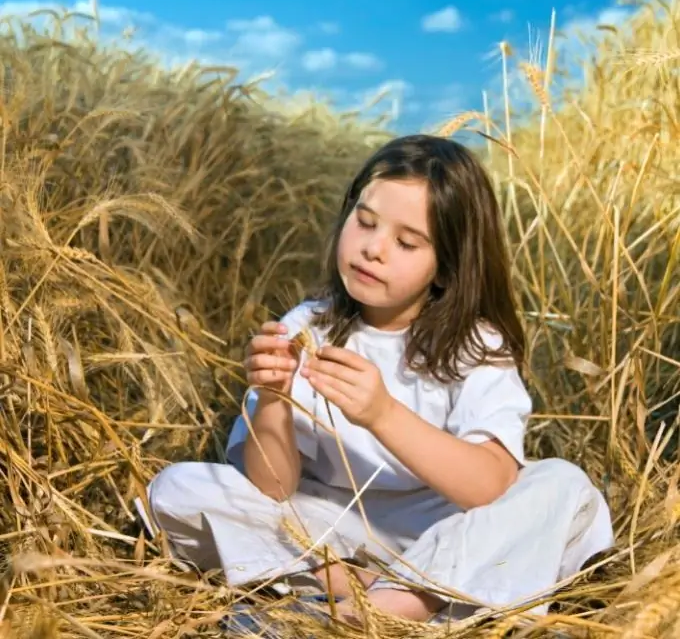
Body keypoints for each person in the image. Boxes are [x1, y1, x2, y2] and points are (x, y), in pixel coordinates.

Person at [137, 135, 614, 632]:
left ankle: (372, 610)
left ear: (447, 269)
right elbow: (272, 487)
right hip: (332, 531)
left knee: (562, 487)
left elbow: (490, 485)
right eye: (364, 221)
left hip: (450, 528)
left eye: (406, 242)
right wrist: (274, 398)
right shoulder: (310, 326)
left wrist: (383, 414)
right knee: (177, 490)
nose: (373, 248)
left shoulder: (476, 343)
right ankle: (383, 594)